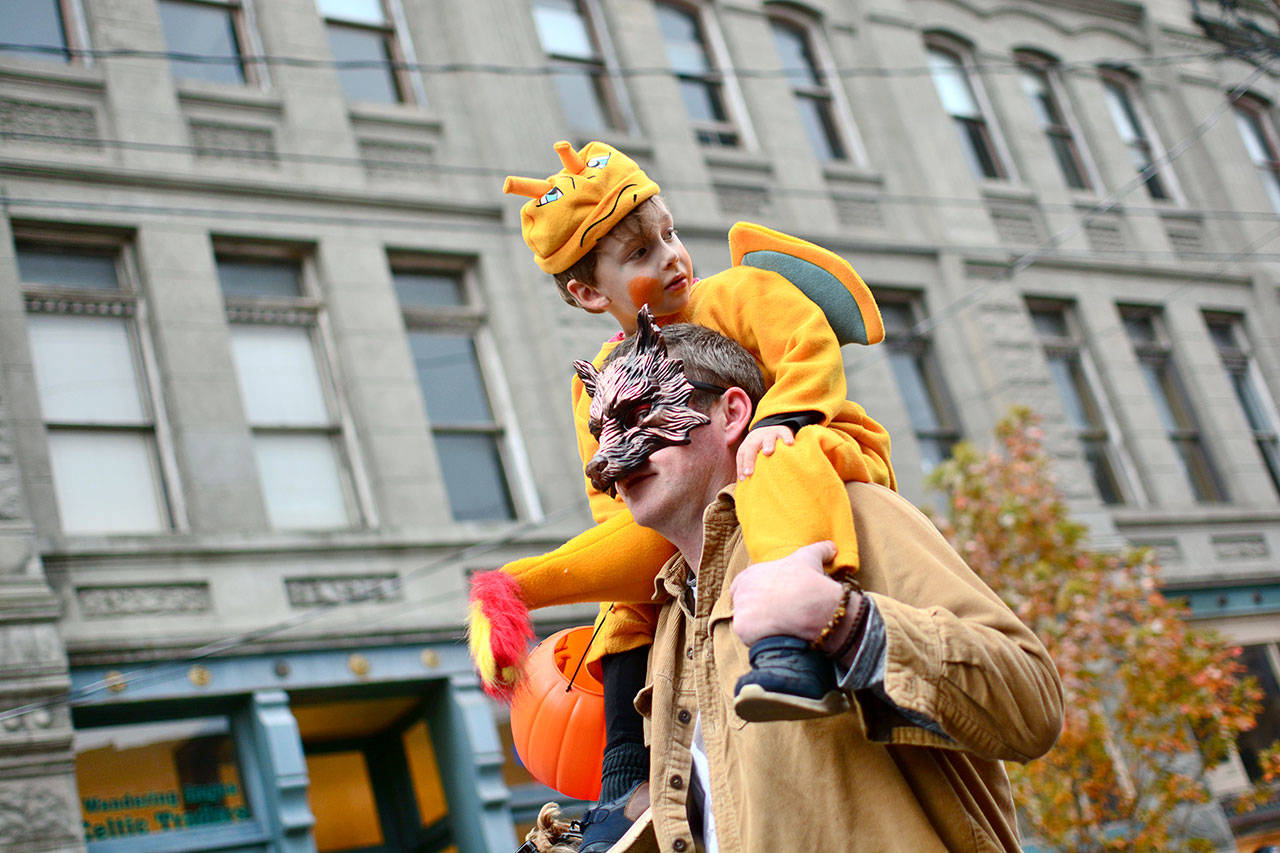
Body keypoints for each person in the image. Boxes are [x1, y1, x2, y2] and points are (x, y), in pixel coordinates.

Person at [468, 141, 898, 847]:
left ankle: (794, 644)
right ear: (586, 291)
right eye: (641, 252)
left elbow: (808, 350)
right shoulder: (598, 382)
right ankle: (623, 776)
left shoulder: (732, 295)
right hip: (711, 531)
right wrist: (516, 587)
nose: (671, 255)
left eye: (669, 232)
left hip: (812, 451)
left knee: (773, 459)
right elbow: (634, 530)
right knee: (628, 605)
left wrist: (782, 417)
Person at [577, 317, 1064, 851]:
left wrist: (845, 621)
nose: (611, 455)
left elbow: (1032, 703)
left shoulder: (853, 514)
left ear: (732, 413)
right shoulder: (667, 617)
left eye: (640, 412)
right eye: (603, 433)